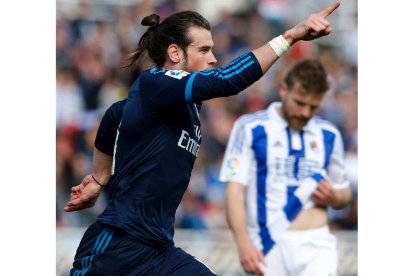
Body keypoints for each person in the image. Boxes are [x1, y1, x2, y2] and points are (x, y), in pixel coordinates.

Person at [64, 3, 341, 275]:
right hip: (118, 244)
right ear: (175, 52)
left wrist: (100, 177)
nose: (213, 58)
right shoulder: (156, 82)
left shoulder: (175, 102)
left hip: (158, 249)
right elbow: (226, 80)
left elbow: (114, 116)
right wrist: (289, 37)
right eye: (204, 50)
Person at [219, 59, 352, 276]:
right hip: (267, 243)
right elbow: (234, 190)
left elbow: (344, 191)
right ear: (283, 89)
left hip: (316, 244)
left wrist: (335, 198)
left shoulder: (329, 134)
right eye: (300, 103)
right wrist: (243, 243)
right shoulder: (251, 128)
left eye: (314, 106)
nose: (305, 113)